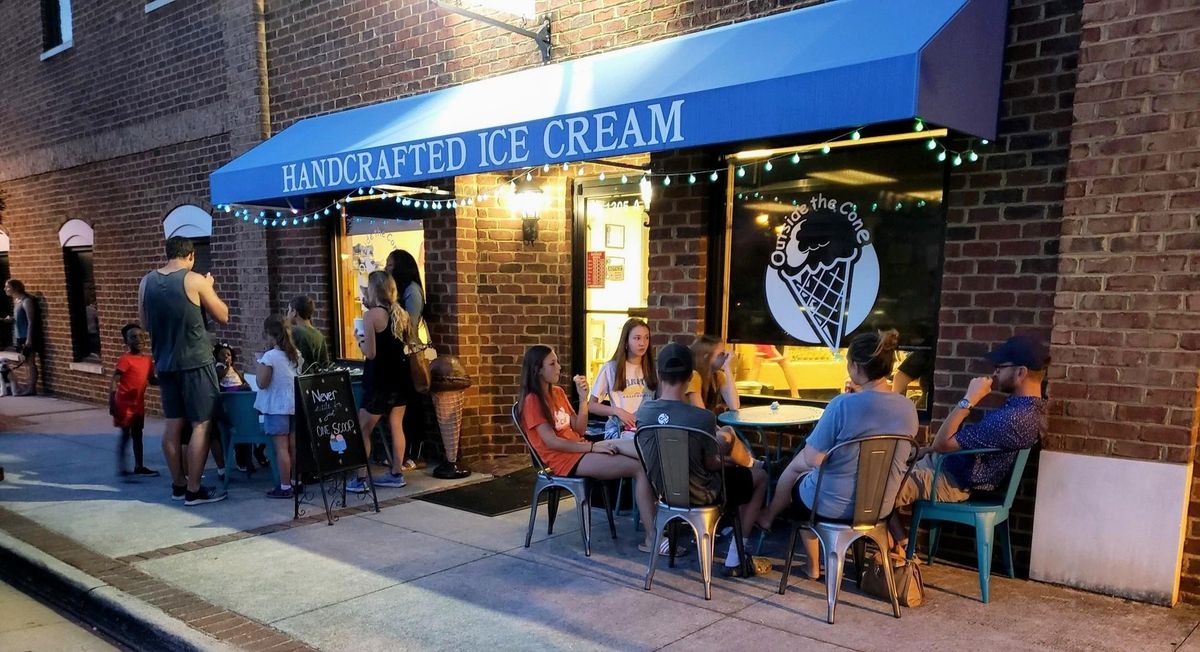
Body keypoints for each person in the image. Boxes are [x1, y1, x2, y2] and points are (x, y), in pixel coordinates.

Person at [755, 330, 918, 580]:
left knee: (800, 473)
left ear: (855, 366)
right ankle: (770, 517)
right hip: (879, 506)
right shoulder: (908, 408)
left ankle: (812, 565)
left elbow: (813, 458)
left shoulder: (842, 405)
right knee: (805, 468)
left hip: (832, 505)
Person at [888, 334, 1047, 552]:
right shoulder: (1024, 409)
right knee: (876, 475)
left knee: (876, 490)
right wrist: (929, 450)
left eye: (1000, 366)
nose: (995, 371)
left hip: (950, 481)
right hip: (945, 467)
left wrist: (969, 399)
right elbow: (945, 445)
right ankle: (900, 545)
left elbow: (944, 443)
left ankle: (901, 551)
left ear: (1021, 372)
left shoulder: (1014, 418)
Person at [518, 345, 669, 555]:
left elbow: (579, 428)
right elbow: (551, 442)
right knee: (641, 468)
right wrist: (591, 446)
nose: (559, 367)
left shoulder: (558, 393)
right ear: (538, 370)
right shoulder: (532, 401)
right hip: (564, 460)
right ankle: (654, 536)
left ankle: (663, 512)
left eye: (558, 362)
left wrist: (582, 399)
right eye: (552, 364)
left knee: (646, 453)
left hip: (580, 449)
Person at [636, 342, 770, 577]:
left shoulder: (644, 413)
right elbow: (709, 463)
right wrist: (729, 459)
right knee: (759, 476)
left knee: (736, 464)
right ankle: (736, 557)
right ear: (690, 376)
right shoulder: (702, 418)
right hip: (703, 493)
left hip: (664, 492)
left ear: (659, 374)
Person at [138, 236, 229, 506]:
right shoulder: (195, 279)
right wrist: (209, 287)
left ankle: (178, 484)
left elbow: (144, 323)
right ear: (190, 256)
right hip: (196, 362)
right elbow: (222, 315)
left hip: (165, 363)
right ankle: (194, 489)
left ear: (168, 254)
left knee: (173, 425)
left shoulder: (147, 282)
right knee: (201, 423)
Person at [347, 271, 412, 493]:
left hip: (379, 381)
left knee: (362, 428)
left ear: (373, 290)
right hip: (400, 379)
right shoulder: (401, 314)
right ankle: (396, 473)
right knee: (397, 426)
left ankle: (359, 479)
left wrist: (360, 342)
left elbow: (371, 353)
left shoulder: (371, 315)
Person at [387, 249, 429, 471]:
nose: (387, 269)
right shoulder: (399, 292)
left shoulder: (411, 292)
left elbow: (409, 327)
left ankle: (415, 453)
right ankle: (400, 454)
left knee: (412, 404)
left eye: (390, 265)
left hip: (409, 355)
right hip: (398, 355)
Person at [255, 315, 302, 499]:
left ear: (269, 334)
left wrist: (258, 364)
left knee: (281, 448)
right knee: (294, 446)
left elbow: (262, 383)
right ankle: (296, 482)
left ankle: (284, 487)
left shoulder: (270, 357)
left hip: (276, 407)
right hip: (295, 404)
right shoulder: (295, 354)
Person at [589, 318, 657, 440]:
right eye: (637, 338)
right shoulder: (611, 368)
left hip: (646, 429)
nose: (642, 343)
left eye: (646, 338)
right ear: (626, 342)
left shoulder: (653, 369)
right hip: (619, 430)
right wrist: (617, 411)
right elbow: (592, 405)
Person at [111, 323, 159, 477]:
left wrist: (167, 378)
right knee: (126, 435)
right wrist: (111, 402)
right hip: (124, 404)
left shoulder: (148, 360)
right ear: (126, 342)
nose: (138, 339)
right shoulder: (125, 359)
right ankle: (122, 467)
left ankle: (139, 466)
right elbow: (114, 380)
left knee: (138, 434)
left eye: (141, 336)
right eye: (133, 337)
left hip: (138, 404)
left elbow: (152, 380)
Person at [213, 342, 265, 473]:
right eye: (223, 354)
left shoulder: (233, 369)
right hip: (231, 403)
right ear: (217, 356)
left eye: (229, 355)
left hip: (243, 400)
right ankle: (242, 460)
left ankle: (252, 456)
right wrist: (227, 366)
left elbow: (242, 380)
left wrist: (245, 384)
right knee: (244, 427)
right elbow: (220, 377)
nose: (226, 357)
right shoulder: (219, 367)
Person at [3, 280, 42, 395]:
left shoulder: (26, 301)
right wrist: (11, 319)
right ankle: (28, 387)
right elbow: (20, 319)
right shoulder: (17, 301)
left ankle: (31, 388)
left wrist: (29, 339)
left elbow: (31, 321)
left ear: (15, 288)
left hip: (27, 336)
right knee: (25, 362)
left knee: (30, 363)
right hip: (19, 336)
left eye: (7, 287)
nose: (5, 289)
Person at [687, 335, 740, 413]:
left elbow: (734, 406)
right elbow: (700, 414)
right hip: (691, 423)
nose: (725, 357)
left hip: (706, 422)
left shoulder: (717, 376)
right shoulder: (693, 376)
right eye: (722, 354)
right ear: (706, 356)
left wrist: (727, 367)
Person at [288, 295, 331, 373]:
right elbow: (325, 364)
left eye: (289, 310)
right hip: (314, 380)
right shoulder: (319, 335)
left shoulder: (295, 333)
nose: (287, 313)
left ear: (294, 312)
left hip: (299, 379)